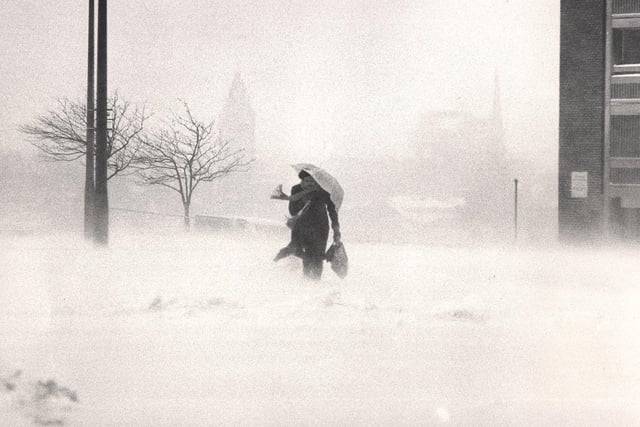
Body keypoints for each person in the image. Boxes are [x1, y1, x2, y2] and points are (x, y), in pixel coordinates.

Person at [274, 170, 341, 280]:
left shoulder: (324, 191)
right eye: (307, 181)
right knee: (298, 250)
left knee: (318, 258)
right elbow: (292, 211)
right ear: (302, 181)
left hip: (320, 227)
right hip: (301, 226)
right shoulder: (296, 189)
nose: (310, 183)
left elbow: (332, 210)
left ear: (317, 181)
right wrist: (303, 201)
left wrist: (336, 228)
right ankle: (279, 261)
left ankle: (314, 283)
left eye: (313, 181)